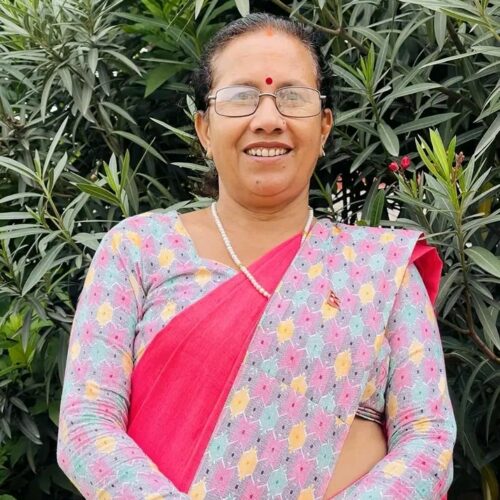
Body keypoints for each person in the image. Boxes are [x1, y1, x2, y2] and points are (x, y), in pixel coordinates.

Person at [57, 13, 456, 500]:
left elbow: (427, 440)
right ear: (204, 128)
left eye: (293, 97)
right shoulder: (138, 251)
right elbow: (86, 426)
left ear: (324, 126)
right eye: (240, 97)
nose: (268, 120)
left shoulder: (381, 269)